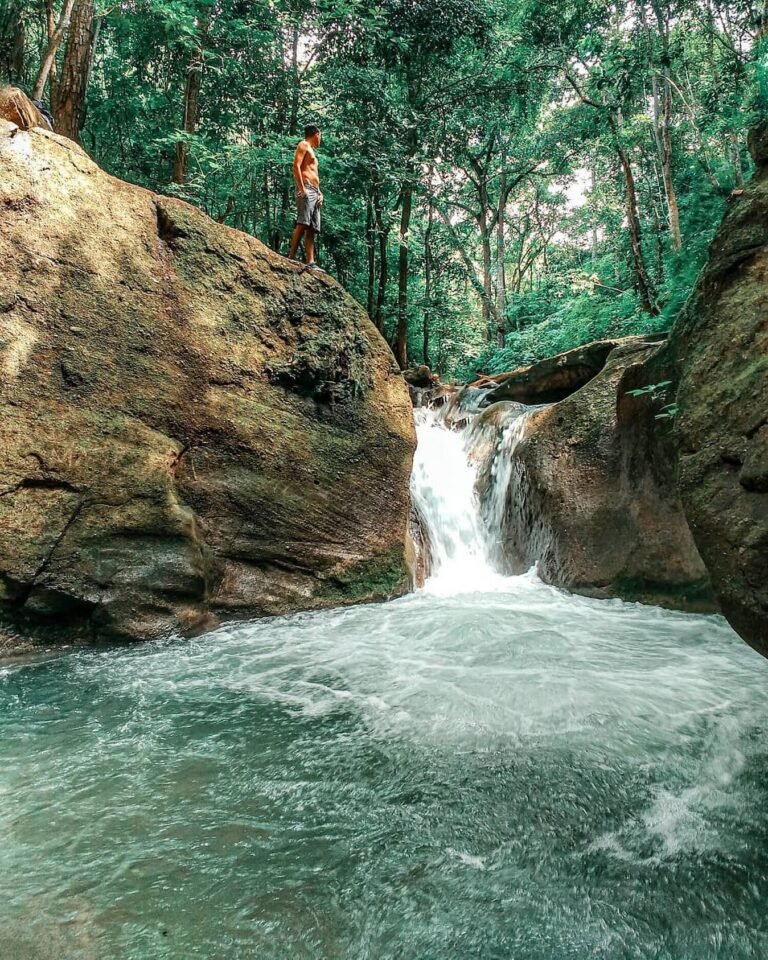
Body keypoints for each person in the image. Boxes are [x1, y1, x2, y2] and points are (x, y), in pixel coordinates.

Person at [288, 124, 324, 269]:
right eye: (320, 136)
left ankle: (310, 261)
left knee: (312, 228)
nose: (320, 139)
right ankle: (291, 257)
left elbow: (314, 173)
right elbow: (296, 166)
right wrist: (302, 188)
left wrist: (320, 192)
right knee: (303, 223)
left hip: (315, 191)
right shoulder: (303, 145)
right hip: (307, 189)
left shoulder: (312, 151)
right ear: (316, 134)